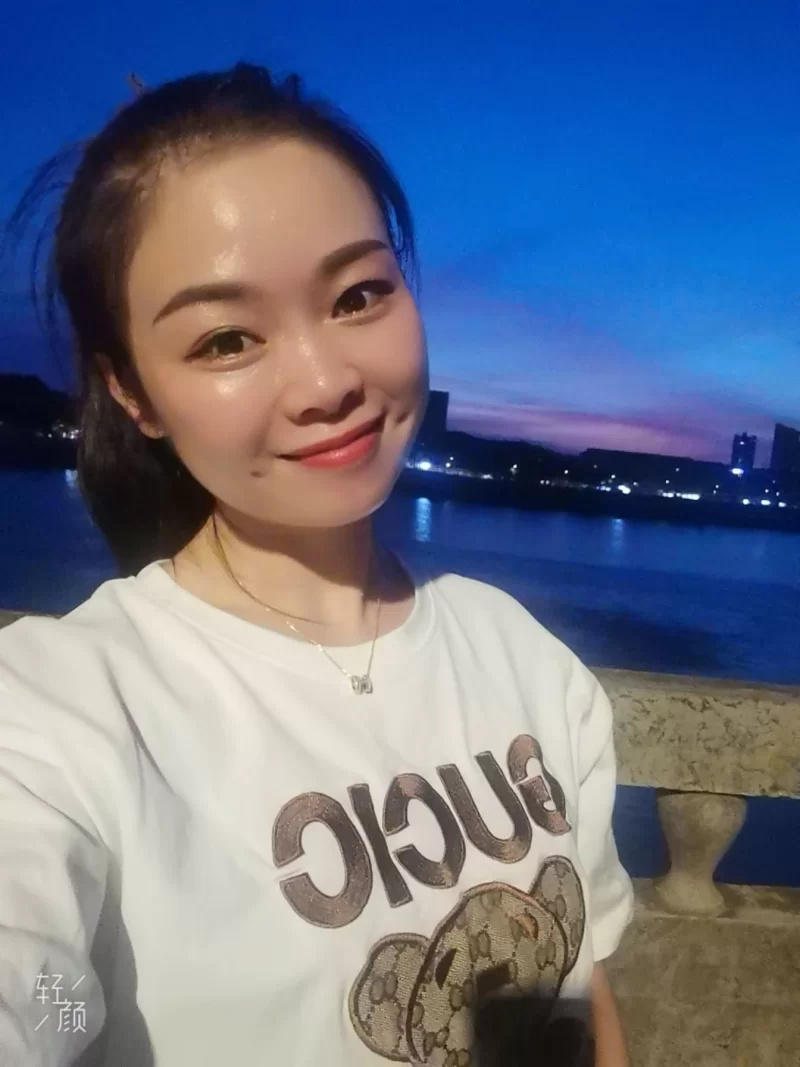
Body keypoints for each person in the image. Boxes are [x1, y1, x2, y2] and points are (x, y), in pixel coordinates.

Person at [0, 64, 633, 1066]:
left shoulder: (523, 657)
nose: (327, 381)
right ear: (134, 394)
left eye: (358, 293)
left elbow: (585, 991)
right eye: (226, 339)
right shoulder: (56, 713)